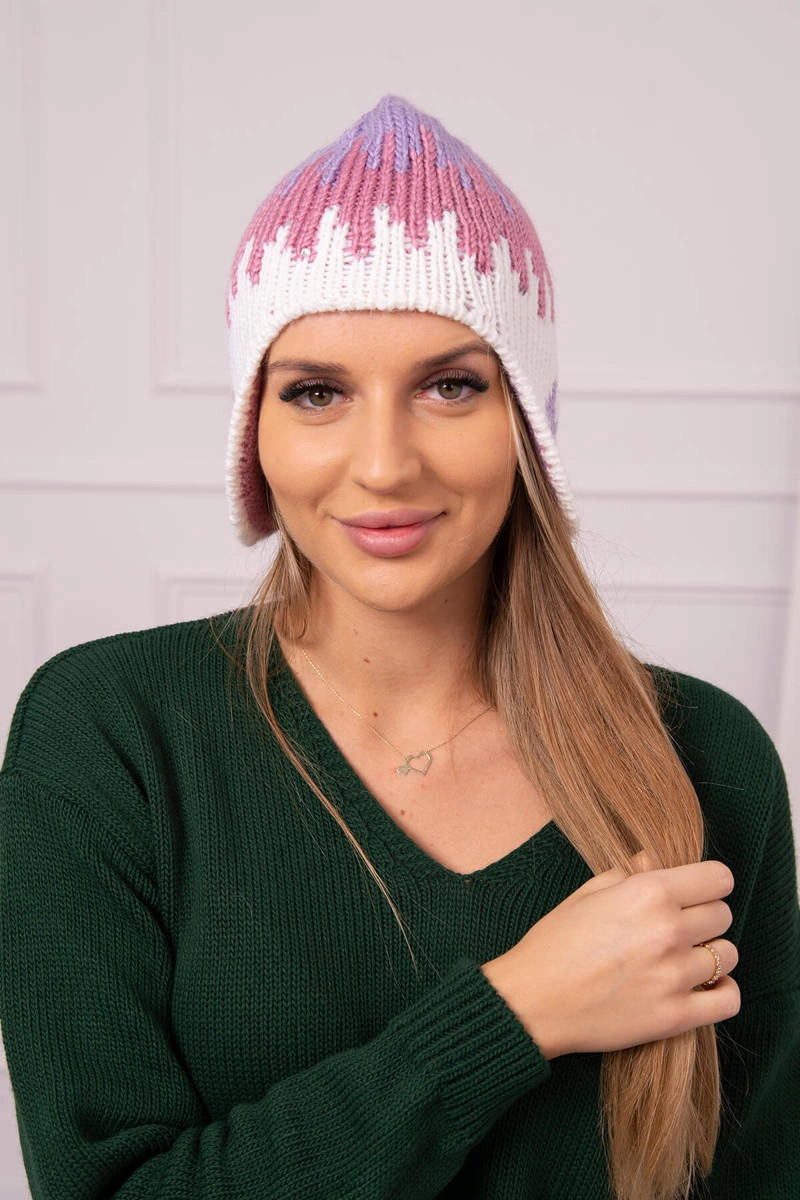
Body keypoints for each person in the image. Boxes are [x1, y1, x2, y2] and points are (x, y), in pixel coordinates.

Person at [0, 95, 797, 1200]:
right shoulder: (109, 734)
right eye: (316, 392)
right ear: (256, 431)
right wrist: (514, 1015)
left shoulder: (705, 755)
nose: (382, 463)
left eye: (450, 385)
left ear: (526, 421)